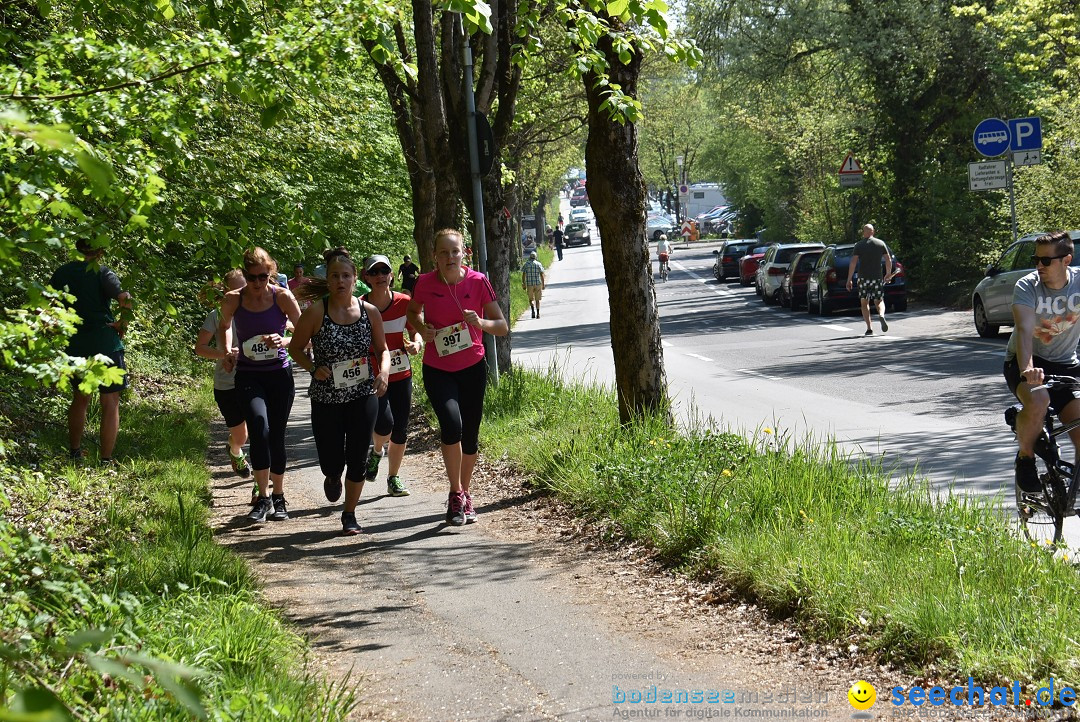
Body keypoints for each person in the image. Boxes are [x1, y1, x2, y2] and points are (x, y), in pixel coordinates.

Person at [407, 229, 509, 526]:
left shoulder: (478, 282)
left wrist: (482, 322)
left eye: (455, 251)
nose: (450, 257)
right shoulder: (424, 283)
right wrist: (420, 327)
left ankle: (466, 493)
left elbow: (501, 326)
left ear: (464, 253)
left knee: (471, 436)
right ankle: (454, 493)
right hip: (438, 368)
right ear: (434, 256)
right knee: (452, 425)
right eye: (444, 252)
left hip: (472, 367)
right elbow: (413, 313)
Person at [290, 248, 391, 535]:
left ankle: (350, 514)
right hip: (326, 397)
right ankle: (333, 476)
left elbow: (382, 351)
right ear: (328, 278)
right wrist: (312, 368)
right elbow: (295, 348)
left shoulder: (369, 312)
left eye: (346, 275)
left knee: (358, 455)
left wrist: (383, 372)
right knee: (332, 459)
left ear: (355, 279)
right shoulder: (316, 312)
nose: (340, 281)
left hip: (362, 394)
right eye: (334, 276)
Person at [220, 248, 302, 524]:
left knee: (276, 434)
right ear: (244, 274)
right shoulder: (234, 299)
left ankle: (278, 497)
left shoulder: (282, 296)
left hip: (278, 374)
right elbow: (224, 325)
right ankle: (262, 497)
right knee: (258, 426)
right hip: (248, 374)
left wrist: (285, 342)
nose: (257, 283)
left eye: (263, 277)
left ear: (271, 273)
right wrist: (228, 351)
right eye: (252, 277)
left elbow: (305, 332)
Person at [1005, 230, 1080, 501]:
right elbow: (1024, 330)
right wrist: (1028, 368)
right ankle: (1025, 458)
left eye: (1046, 261)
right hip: (1026, 361)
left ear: (1066, 260)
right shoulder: (1027, 286)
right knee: (1038, 400)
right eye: (1036, 259)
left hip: (1066, 364)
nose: (1039, 266)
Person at [49, 239, 133, 464]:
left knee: (80, 397)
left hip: (76, 344)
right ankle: (106, 459)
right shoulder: (103, 273)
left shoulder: (62, 272)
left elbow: (51, 307)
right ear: (101, 251)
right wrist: (121, 324)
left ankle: (75, 452)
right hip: (105, 343)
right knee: (110, 401)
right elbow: (125, 299)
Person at [361, 254, 423, 496]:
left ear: (391, 275)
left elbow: (416, 330)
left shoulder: (405, 302)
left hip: (401, 373)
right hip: (373, 376)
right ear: (366, 277)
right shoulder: (359, 306)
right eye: (374, 272)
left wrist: (417, 343)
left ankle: (393, 478)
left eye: (384, 272)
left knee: (400, 429)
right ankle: (377, 450)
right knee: (384, 423)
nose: (380, 277)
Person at [195, 269, 251, 484]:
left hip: (255, 378)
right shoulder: (216, 315)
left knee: (261, 428)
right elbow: (199, 348)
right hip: (227, 383)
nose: (239, 293)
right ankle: (235, 451)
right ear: (226, 291)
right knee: (241, 436)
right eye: (235, 288)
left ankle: (262, 482)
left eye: (243, 288)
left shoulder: (259, 311)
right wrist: (225, 353)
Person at [846, 223, 894, 336]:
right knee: (879, 300)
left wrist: (849, 279)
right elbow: (888, 260)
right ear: (873, 231)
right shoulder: (880, 243)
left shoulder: (859, 245)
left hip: (863, 278)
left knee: (864, 302)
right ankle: (881, 315)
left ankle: (869, 328)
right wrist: (888, 274)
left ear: (864, 232)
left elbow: (853, 262)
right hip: (877, 278)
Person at [521, 251, 546, 318]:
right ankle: (538, 314)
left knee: (531, 299)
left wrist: (523, 283)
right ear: (535, 257)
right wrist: (543, 284)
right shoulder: (538, 264)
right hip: (538, 284)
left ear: (530, 257)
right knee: (537, 300)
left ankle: (532, 311)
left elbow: (523, 275)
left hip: (529, 284)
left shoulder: (526, 264)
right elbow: (542, 275)